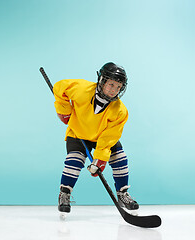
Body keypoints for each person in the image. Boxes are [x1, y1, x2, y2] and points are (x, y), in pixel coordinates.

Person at [53, 62, 139, 213]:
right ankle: (65, 194)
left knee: (120, 158)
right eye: (111, 84)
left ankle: (123, 193)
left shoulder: (120, 110)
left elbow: (110, 136)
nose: (114, 90)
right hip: (78, 133)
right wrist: (64, 110)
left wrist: (100, 159)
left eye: (118, 87)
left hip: (102, 138)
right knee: (74, 161)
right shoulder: (81, 89)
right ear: (102, 81)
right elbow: (60, 88)